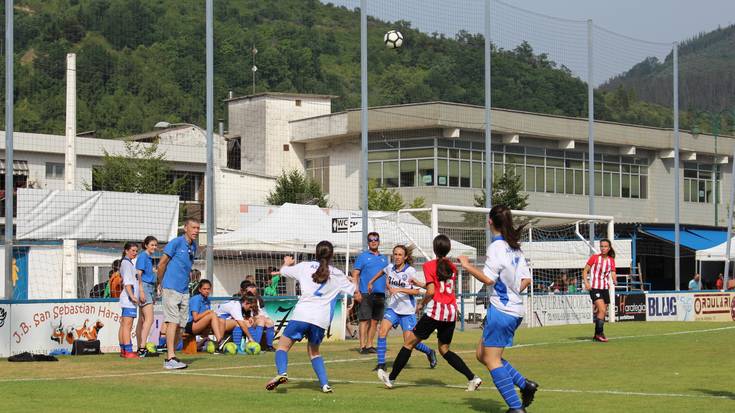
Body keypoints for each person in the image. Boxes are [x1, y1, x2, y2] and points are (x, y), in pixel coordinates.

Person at [457, 205, 539, 413]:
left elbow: (487, 279)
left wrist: (466, 265)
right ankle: (525, 385)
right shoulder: (515, 247)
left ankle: (515, 408)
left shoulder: (497, 247)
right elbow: (526, 279)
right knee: (481, 354)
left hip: (502, 311)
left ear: (490, 222)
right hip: (514, 309)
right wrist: (511, 292)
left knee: (492, 360)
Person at [377, 234, 482, 391]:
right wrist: (420, 284)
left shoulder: (429, 265)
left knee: (408, 343)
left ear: (434, 248)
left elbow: (432, 291)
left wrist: (422, 303)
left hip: (436, 312)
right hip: (451, 312)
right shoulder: (452, 266)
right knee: (444, 349)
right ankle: (473, 378)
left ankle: (391, 378)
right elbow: (438, 287)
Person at [266, 241, 356, 393]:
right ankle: (325, 385)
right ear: (332, 255)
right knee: (314, 352)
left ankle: (282, 372)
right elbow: (356, 292)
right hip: (320, 320)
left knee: (282, 347)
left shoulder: (304, 266)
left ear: (316, 253)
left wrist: (286, 263)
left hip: (302, 315)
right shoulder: (337, 274)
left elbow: (283, 272)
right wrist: (354, 280)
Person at [369, 244, 437, 372]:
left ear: (405, 257)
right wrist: (371, 281)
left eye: (400, 255)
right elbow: (382, 272)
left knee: (409, 341)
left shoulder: (410, 271)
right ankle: (381, 364)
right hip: (393, 309)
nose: (397, 257)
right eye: (395, 254)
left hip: (407, 311)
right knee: (382, 332)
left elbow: (417, 292)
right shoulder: (390, 268)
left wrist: (399, 289)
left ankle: (429, 351)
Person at [157, 217, 199, 370]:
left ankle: (171, 355)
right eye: (193, 228)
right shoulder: (175, 242)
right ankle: (170, 357)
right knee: (173, 321)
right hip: (171, 288)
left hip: (184, 290)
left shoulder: (194, 246)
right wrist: (160, 283)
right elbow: (161, 264)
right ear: (186, 228)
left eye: (198, 228)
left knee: (181, 325)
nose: (196, 231)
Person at [352, 232, 389, 354]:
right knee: (364, 320)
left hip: (380, 294)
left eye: (376, 239)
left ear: (379, 241)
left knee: (374, 321)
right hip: (365, 293)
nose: (373, 241)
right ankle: (362, 346)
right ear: (368, 242)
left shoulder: (384, 258)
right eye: (371, 240)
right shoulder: (363, 257)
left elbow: (387, 275)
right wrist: (356, 291)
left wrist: (389, 288)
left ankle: (370, 345)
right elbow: (355, 274)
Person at [582, 239, 617, 342]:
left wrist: (614, 279)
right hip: (595, 288)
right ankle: (600, 333)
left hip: (605, 288)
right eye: (601, 246)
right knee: (601, 310)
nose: (603, 248)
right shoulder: (595, 258)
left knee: (602, 312)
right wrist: (586, 282)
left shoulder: (611, 260)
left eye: (605, 246)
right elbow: (585, 270)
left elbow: (613, 272)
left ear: (609, 248)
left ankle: (596, 335)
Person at [185, 279, 225, 349]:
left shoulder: (207, 300)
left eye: (208, 289)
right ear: (200, 290)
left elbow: (206, 317)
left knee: (222, 320)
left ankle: (218, 344)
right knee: (212, 315)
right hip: (190, 325)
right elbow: (195, 318)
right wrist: (208, 312)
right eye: (204, 289)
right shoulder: (196, 299)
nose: (207, 291)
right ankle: (220, 341)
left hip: (200, 325)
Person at [135, 236, 158, 358]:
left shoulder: (148, 258)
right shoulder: (143, 256)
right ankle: (142, 348)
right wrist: (141, 291)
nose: (154, 247)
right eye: (152, 245)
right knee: (150, 319)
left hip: (148, 287)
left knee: (142, 320)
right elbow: (139, 274)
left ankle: (140, 347)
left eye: (155, 245)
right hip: (144, 287)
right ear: (146, 245)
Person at [118, 242, 139, 359]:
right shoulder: (126, 263)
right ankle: (128, 351)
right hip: (128, 299)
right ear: (126, 250)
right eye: (132, 250)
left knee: (124, 325)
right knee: (127, 325)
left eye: (136, 251)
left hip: (127, 299)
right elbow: (127, 282)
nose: (135, 253)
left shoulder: (128, 263)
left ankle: (123, 350)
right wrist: (132, 296)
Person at [243, 282, 276, 351]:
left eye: (253, 287)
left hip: (257, 319)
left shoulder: (258, 299)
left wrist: (265, 317)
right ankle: (255, 345)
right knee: (261, 321)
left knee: (270, 322)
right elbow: (243, 316)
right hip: (247, 322)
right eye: (250, 287)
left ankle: (269, 346)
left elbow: (262, 312)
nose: (253, 289)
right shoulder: (243, 300)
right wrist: (253, 318)